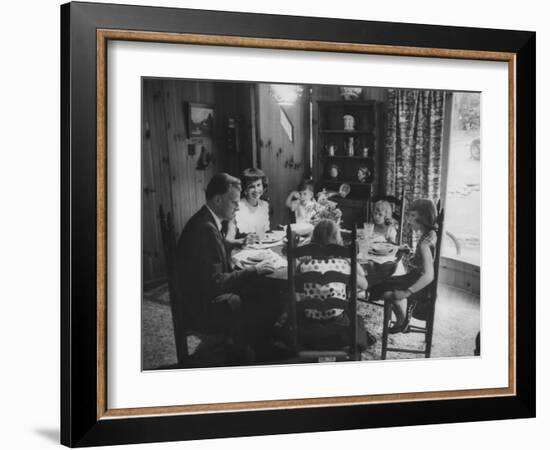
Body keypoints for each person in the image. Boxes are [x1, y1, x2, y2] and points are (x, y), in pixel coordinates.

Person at [175, 173, 278, 359]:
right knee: (262, 290)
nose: (238, 207)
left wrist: (235, 243)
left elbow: (216, 246)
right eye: (234, 202)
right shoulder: (206, 229)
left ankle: (256, 341)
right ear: (217, 200)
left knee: (258, 287)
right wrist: (254, 270)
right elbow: (216, 282)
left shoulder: (205, 218)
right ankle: (253, 349)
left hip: (198, 294)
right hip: (200, 307)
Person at [295, 219, 374, 350]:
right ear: (338, 241)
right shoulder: (344, 265)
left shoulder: (303, 266)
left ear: (312, 240)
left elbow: (296, 293)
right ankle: (357, 342)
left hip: (309, 327)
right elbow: (364, 285)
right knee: (357, 319)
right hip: (337, 326)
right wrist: (350, 259)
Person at [371, 198, 438, 334]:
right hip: (415, 277)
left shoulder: (425, 243)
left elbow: (429, 275)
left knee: (379, 287)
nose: (408, 219)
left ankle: (402, 319)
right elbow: (428, 261)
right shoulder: (431, 235)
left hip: (420, 285)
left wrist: (406, 293)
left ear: (423, 217)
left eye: (413, 216)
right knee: (381, 283)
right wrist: (412, 253)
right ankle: (402, 319)